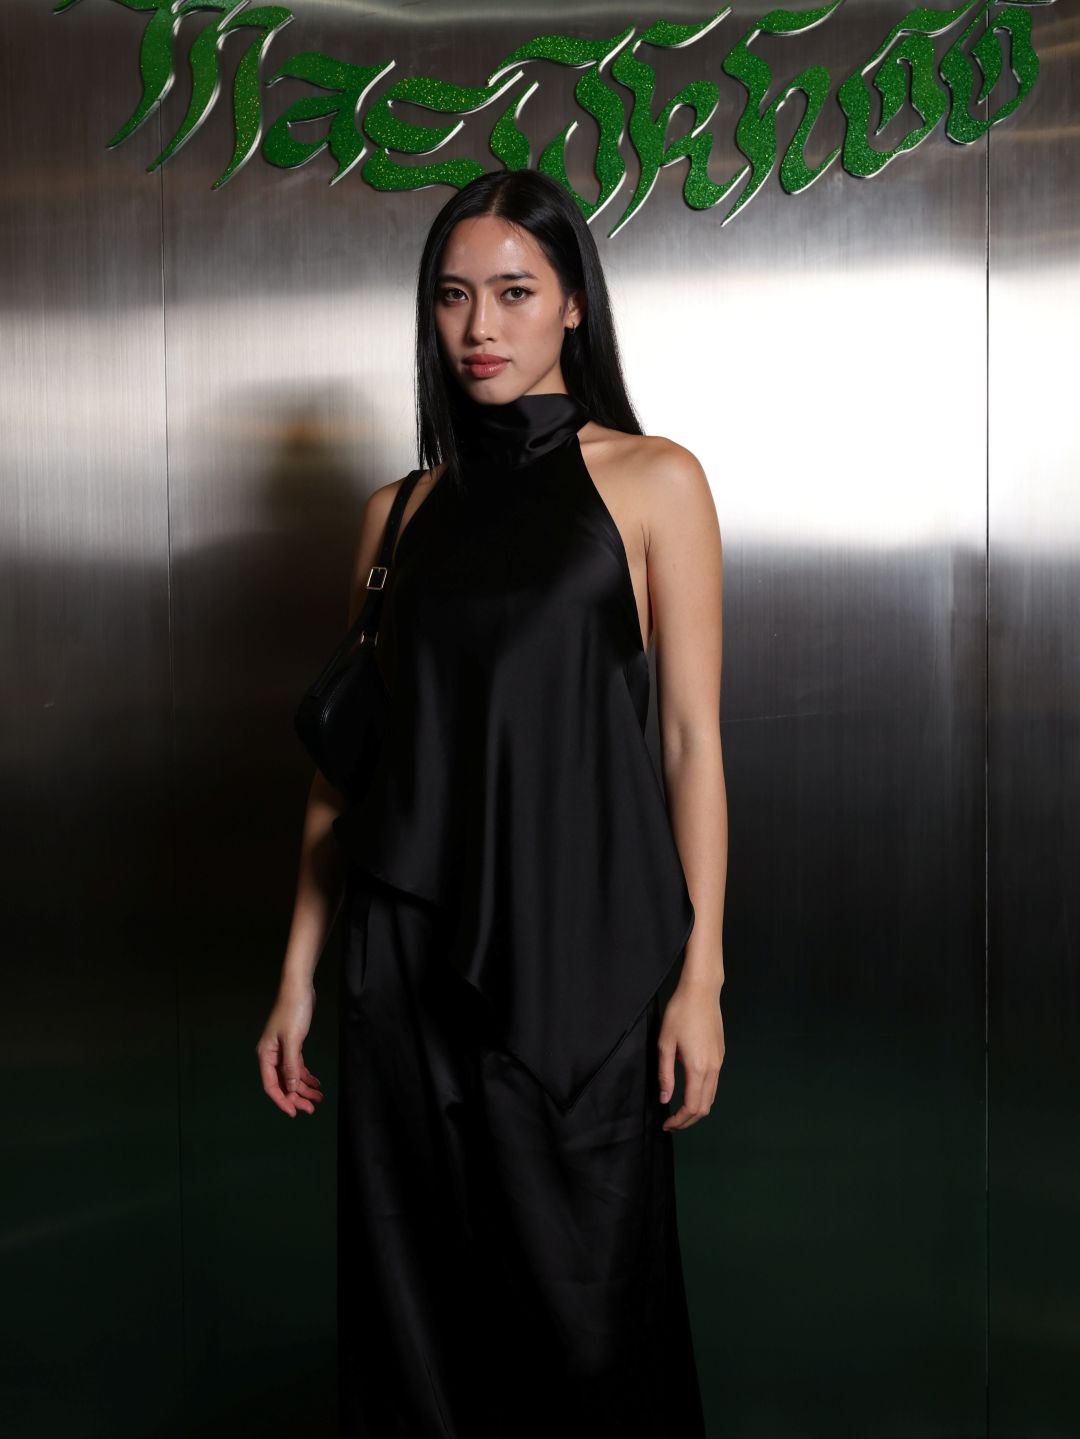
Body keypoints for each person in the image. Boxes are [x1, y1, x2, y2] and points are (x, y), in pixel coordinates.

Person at [257, 166, 727, 1437]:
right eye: (454, 295)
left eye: (515, 292)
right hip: (404, 963)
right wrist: (297, 976)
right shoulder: (396, 513)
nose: (480, 325)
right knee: (418, 1332)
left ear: (573, 303)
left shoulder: (654, 481)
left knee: (591, 1329)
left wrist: (700, 978)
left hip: (587, 961)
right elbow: (347, 766)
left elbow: (691, 742)